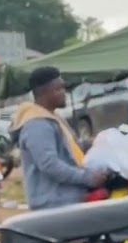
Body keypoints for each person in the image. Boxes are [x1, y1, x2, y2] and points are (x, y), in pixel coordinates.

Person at [11, 67, 107, 210]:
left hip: (68, 197)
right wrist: (88, 178)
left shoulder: (53, 117)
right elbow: (50, 165)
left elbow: (70, 149)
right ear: (45, 93)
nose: (64, 93)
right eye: (59, 89)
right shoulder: (37, 124)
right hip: (54, 203)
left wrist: (97, 141)